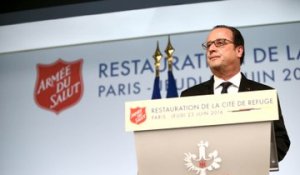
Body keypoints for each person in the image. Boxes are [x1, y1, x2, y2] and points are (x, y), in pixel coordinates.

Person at [181, 25, 290, 161]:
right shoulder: (190, 96)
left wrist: (248, 160)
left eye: (220, 43)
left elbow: (281, 141)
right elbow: (183, 144)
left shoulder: (263, 93)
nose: (211, 49)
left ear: (239, 50)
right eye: (208, 45)